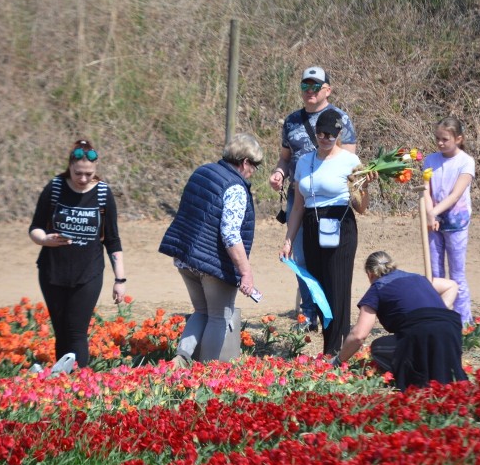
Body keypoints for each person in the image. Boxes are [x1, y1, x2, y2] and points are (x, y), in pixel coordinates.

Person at [159, 133, 263, 367]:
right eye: (255, 165)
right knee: (219, 316)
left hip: (186, 257)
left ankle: (181, 359)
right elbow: (230, 234)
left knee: (201, 311)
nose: (254, 171)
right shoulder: (235, 187)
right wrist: (245, 271)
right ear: (245, 162)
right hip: (214, 265)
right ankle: (208, 371)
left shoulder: (202, 172)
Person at [268, 66, 358, 332]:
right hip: (300, 197)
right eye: (305, 86)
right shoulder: (291, 121)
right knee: (301, 258)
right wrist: (279, 173)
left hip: (331, 200)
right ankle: (308, 314)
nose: (309, 91)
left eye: (315, 86)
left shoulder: (340, 118)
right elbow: (285, 158)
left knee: (329, 259)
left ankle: (331, 312)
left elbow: (350, 164)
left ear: (327, 90)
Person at [29, 138, 126, 371]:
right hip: (53, 271)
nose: (83, 179)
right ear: (69, 167)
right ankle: (60, 382)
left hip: (88, 272)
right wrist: (44, 239)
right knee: (60, 330)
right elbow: (35, 227)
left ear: (96, 170)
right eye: (78, 173)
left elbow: (112, 239)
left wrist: (120, 279)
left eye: (88, 174)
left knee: (76, 330)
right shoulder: (55, 188)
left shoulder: (103, 193)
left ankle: (78, 382)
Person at [279, 109, 370, 356]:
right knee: (318, 289)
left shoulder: (350, 162)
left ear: (339, 134)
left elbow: (361, 207)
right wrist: (289, 239)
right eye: (320, 133)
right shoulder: (305, 161)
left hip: (340, 224)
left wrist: (366, 186)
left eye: (330, 134)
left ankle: (336, 351)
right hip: (311, 224)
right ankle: (329, 346)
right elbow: (298, 206)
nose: (325, 137)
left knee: (337, 288)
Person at [332, 251, 467, 391]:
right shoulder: (419, 278)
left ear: (370, 274)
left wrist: (338, 360)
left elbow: (359, 335)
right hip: (452, 332)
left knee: (378, 348)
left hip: (420, 334)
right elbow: (452, 285)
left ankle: (414, 374)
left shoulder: (377, 288)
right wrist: (439, 310)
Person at [423, 117, 476, 325]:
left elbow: (455, 195)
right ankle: (439, 317)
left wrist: (433, 212)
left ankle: (463, 321)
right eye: (437, 138)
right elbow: (426, 190)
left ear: (459, 139)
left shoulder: (466, 162)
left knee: (456, 274)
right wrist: (430, 214)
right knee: (435, 273)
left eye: (445, 139)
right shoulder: (430, 160)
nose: (440, 143)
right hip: (433, 222)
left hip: (456, 223)